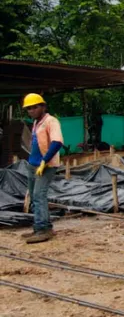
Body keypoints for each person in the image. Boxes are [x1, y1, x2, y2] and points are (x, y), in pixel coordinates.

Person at [22, 93, 63, 244]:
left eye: (35, 107)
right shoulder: (36, 122)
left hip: (46, 166)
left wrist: (44, 161)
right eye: (29, 108)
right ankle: (43, 226)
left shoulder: (51, 121)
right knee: (34, 197)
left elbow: (57, 142)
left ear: (43, 107)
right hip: (33, 165)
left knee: (39, 195)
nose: (31, 110)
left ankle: (42, 230)